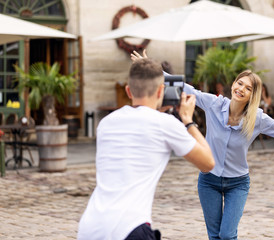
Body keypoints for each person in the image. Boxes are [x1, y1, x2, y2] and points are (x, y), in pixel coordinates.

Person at [131, 50, 274, 240]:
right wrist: (153, 71)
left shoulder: (258, 119)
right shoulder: (215, 104)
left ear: (253, 95)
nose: (242, 89)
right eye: (240, 83)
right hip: (209, 180)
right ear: (233, 85)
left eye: (248, 88)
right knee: (214, 235)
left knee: (227, 234)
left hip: (237, 184)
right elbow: (188, 89)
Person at [77, 58, 215, 240]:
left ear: (128, 90)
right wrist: (188, 120)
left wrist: (157, 108)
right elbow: (208, 163)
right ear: (160, 91)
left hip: (90, 226)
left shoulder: (106, 123)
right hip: (129, 227)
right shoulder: (166, 124)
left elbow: (141, 122)